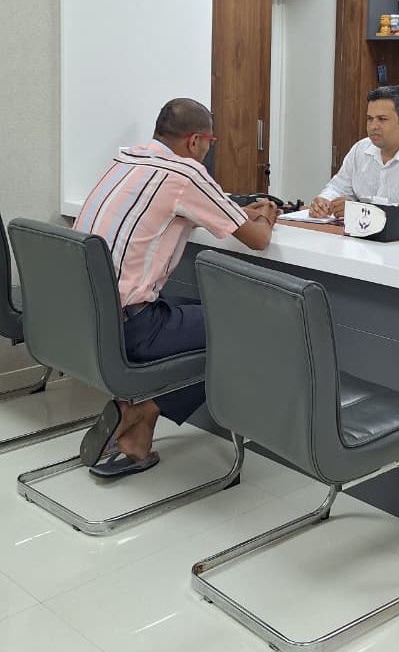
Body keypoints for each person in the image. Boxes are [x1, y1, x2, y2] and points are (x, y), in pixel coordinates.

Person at [73, 98, 278, 476]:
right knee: (251, 324)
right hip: (130, 327)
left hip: (84, 319)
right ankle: (142, 408)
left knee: (199, 310)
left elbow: (165, 210)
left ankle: (138, 435)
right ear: (196, 141)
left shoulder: (127, 160)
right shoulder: (186, 173)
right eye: (210, 143)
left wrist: (227, 212)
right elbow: (259, 240)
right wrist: (266, 213)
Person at [309, 85, 399, 223]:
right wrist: (324, 202)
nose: (372, 126)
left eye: (382, 119)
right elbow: (338, 187)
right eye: (369, 118)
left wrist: (363, 210)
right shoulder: (360, 149)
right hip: (367, 237)